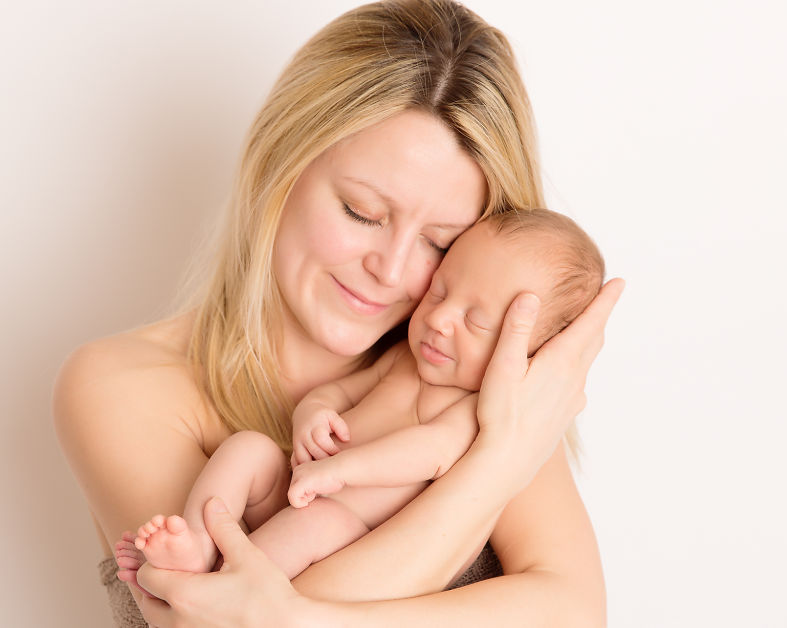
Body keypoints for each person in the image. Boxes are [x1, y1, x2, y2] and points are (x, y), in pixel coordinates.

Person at [53, 1, 624, 626]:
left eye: (440, 242)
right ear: (278, 166)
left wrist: (288, 617)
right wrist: (499, 464)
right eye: (362, 212)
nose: (393, 269)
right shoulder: (121, 385)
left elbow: (574, 610)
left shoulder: (463, 375)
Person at [114, 208, 605, 584]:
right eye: (439, 292)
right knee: (247, 448)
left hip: (349, 532)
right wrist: (314, 411)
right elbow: (339, 390)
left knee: (311, 526)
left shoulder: (472, 412)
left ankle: (223, 591)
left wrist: (341, 471)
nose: (439, 319)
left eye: (475, 322)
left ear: (527, 356)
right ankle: (197, 543)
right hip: (299, 483)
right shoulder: (402, 360)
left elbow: (426, 455)